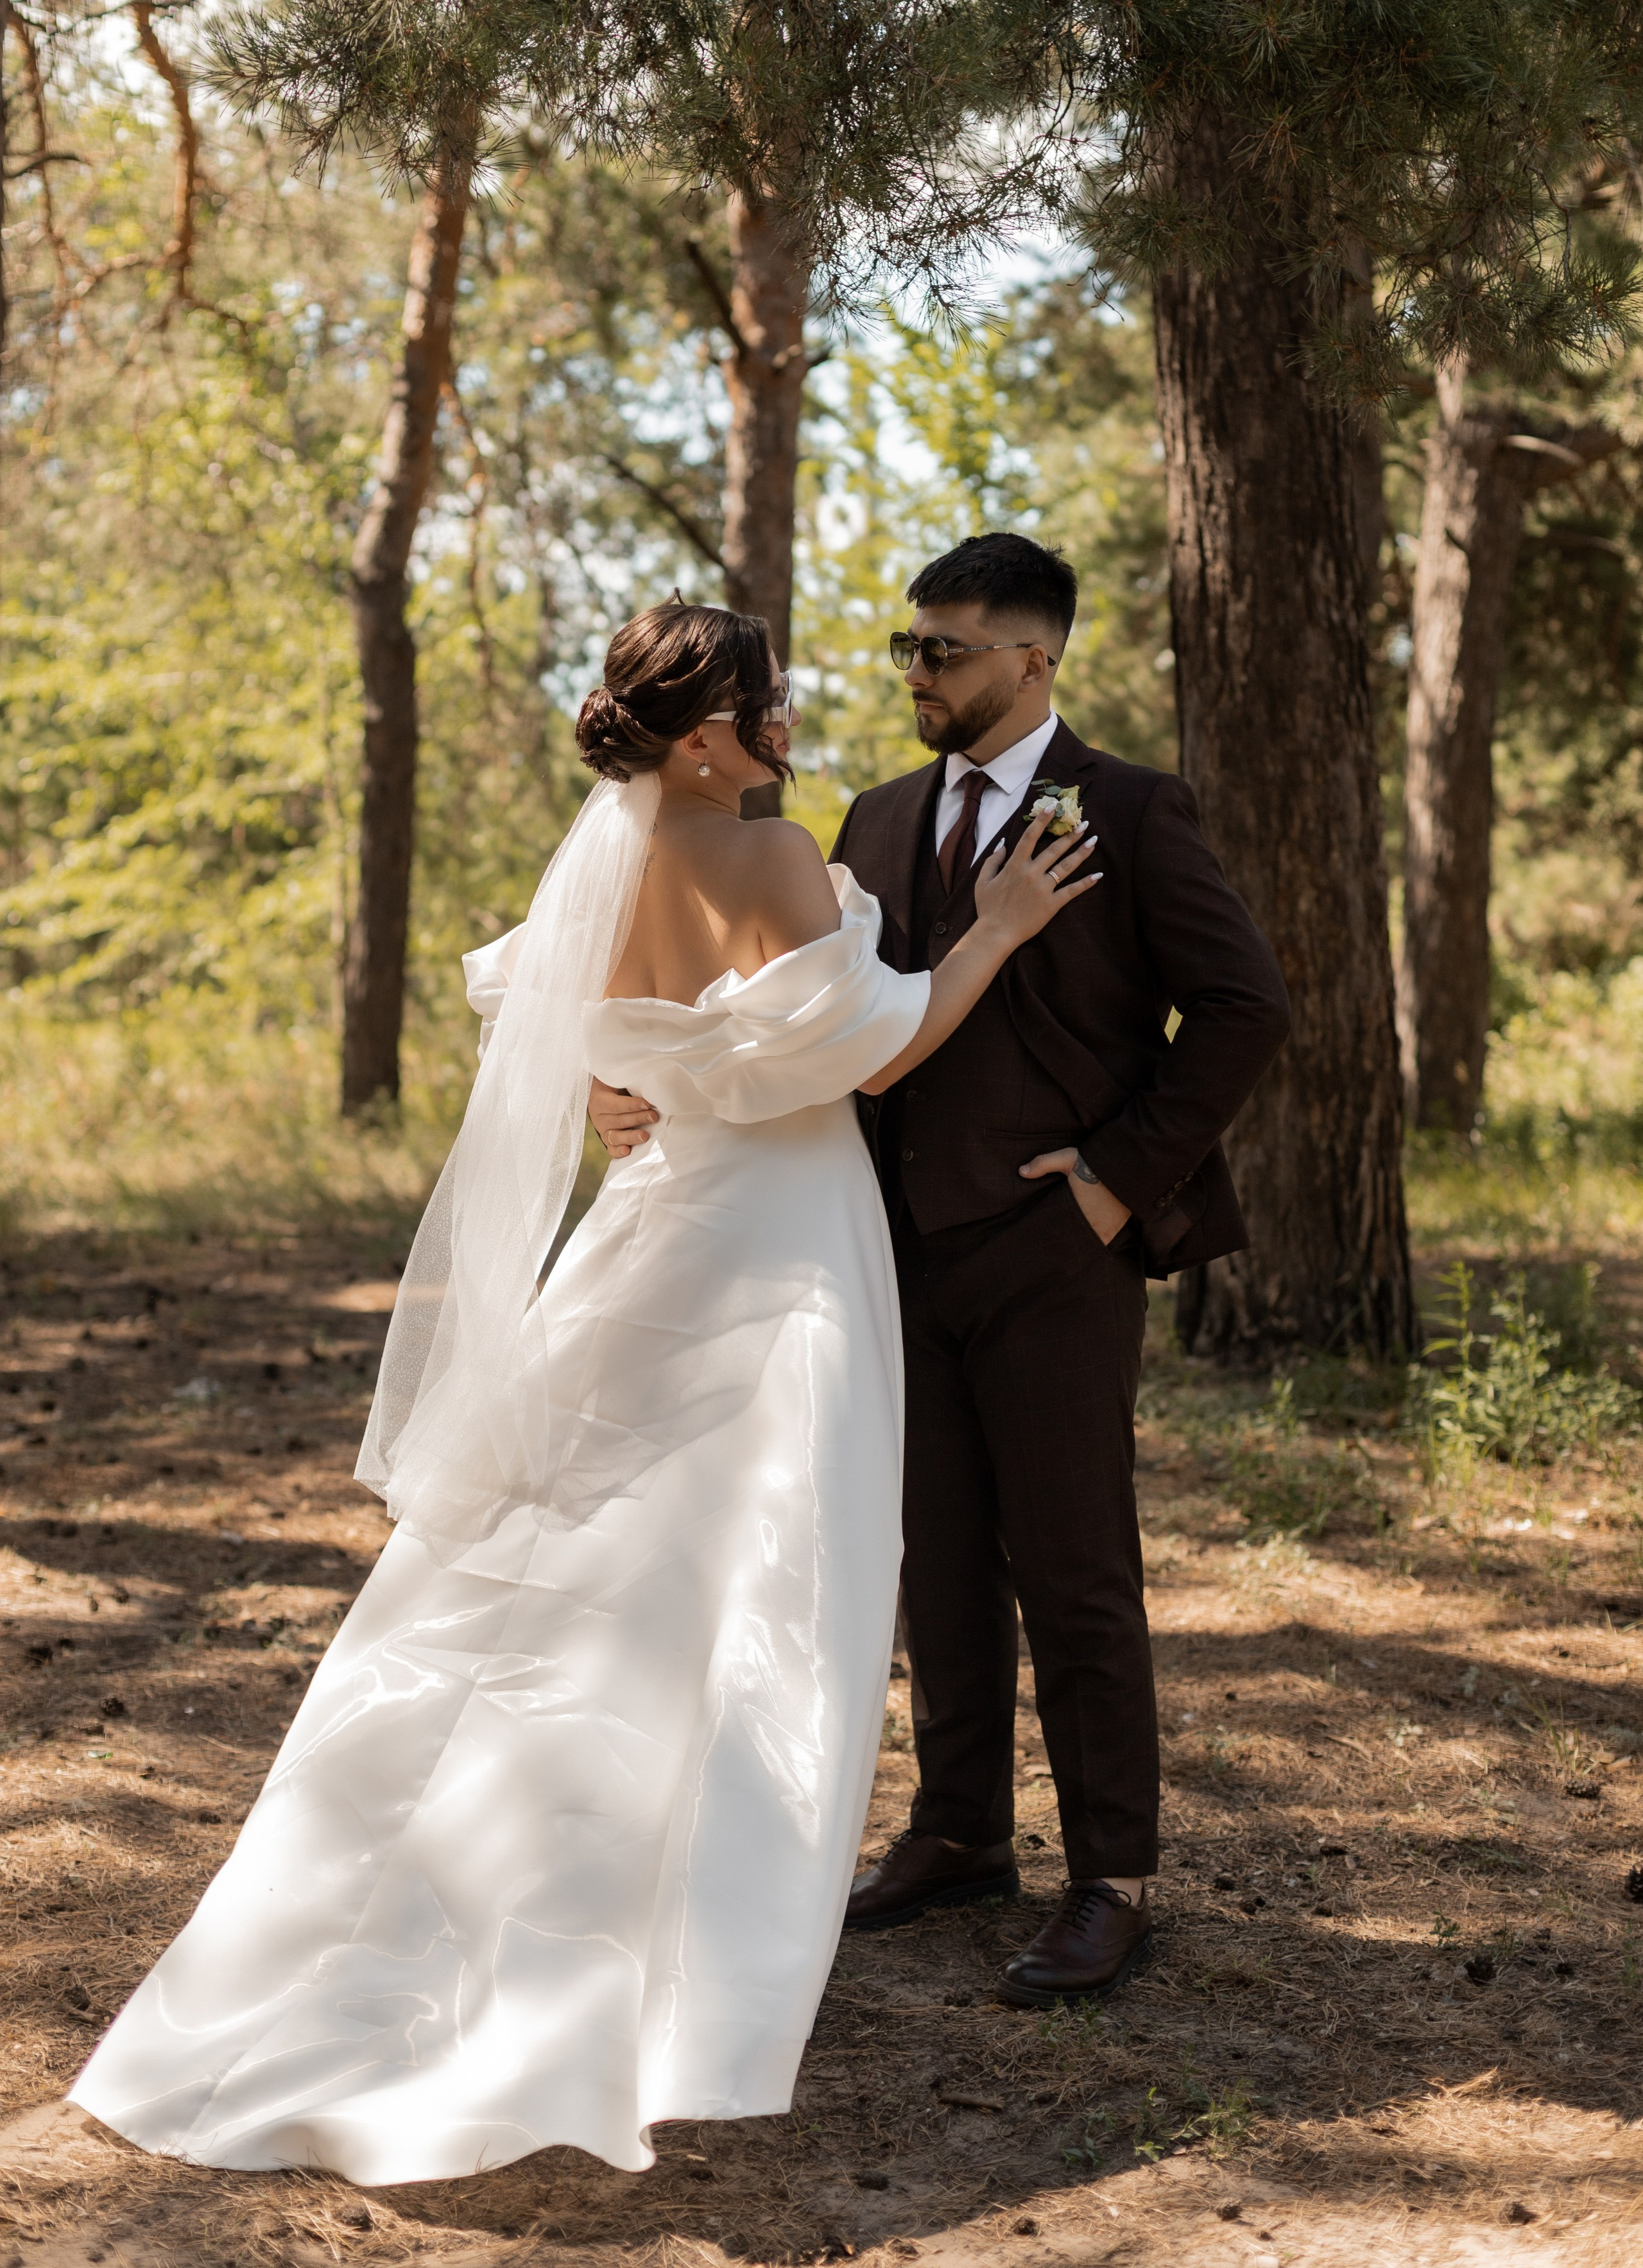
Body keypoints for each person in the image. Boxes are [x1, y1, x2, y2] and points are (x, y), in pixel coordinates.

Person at [69, 599, 1098, 2186]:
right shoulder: (760, 854)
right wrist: (997, 929)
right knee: (743, 1594)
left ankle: (426, 1899)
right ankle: (663, 1951)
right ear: (702, 740)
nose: (785, 714)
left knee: (550, 1577)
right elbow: (873, 1050)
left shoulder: (604, 870)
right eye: (761, 700)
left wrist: (632, 1082)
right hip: (779, 1253)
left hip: (644, 1238)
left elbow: (553, 1029)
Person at [592, 538, 1290, 2009]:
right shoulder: (874, 815)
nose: (915, 670)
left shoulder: (1130, 810)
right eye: (909, 646)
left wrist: (1112, 1179)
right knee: (935, 1562)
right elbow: (812, 1022)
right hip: (888, 1247)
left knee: (1075, 1568)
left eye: (946, 649)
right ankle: (959, 1829)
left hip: (1054, 1254)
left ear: (1031, 663)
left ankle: (1113, 1876)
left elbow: (1242, 1009)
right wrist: (654, 1083)